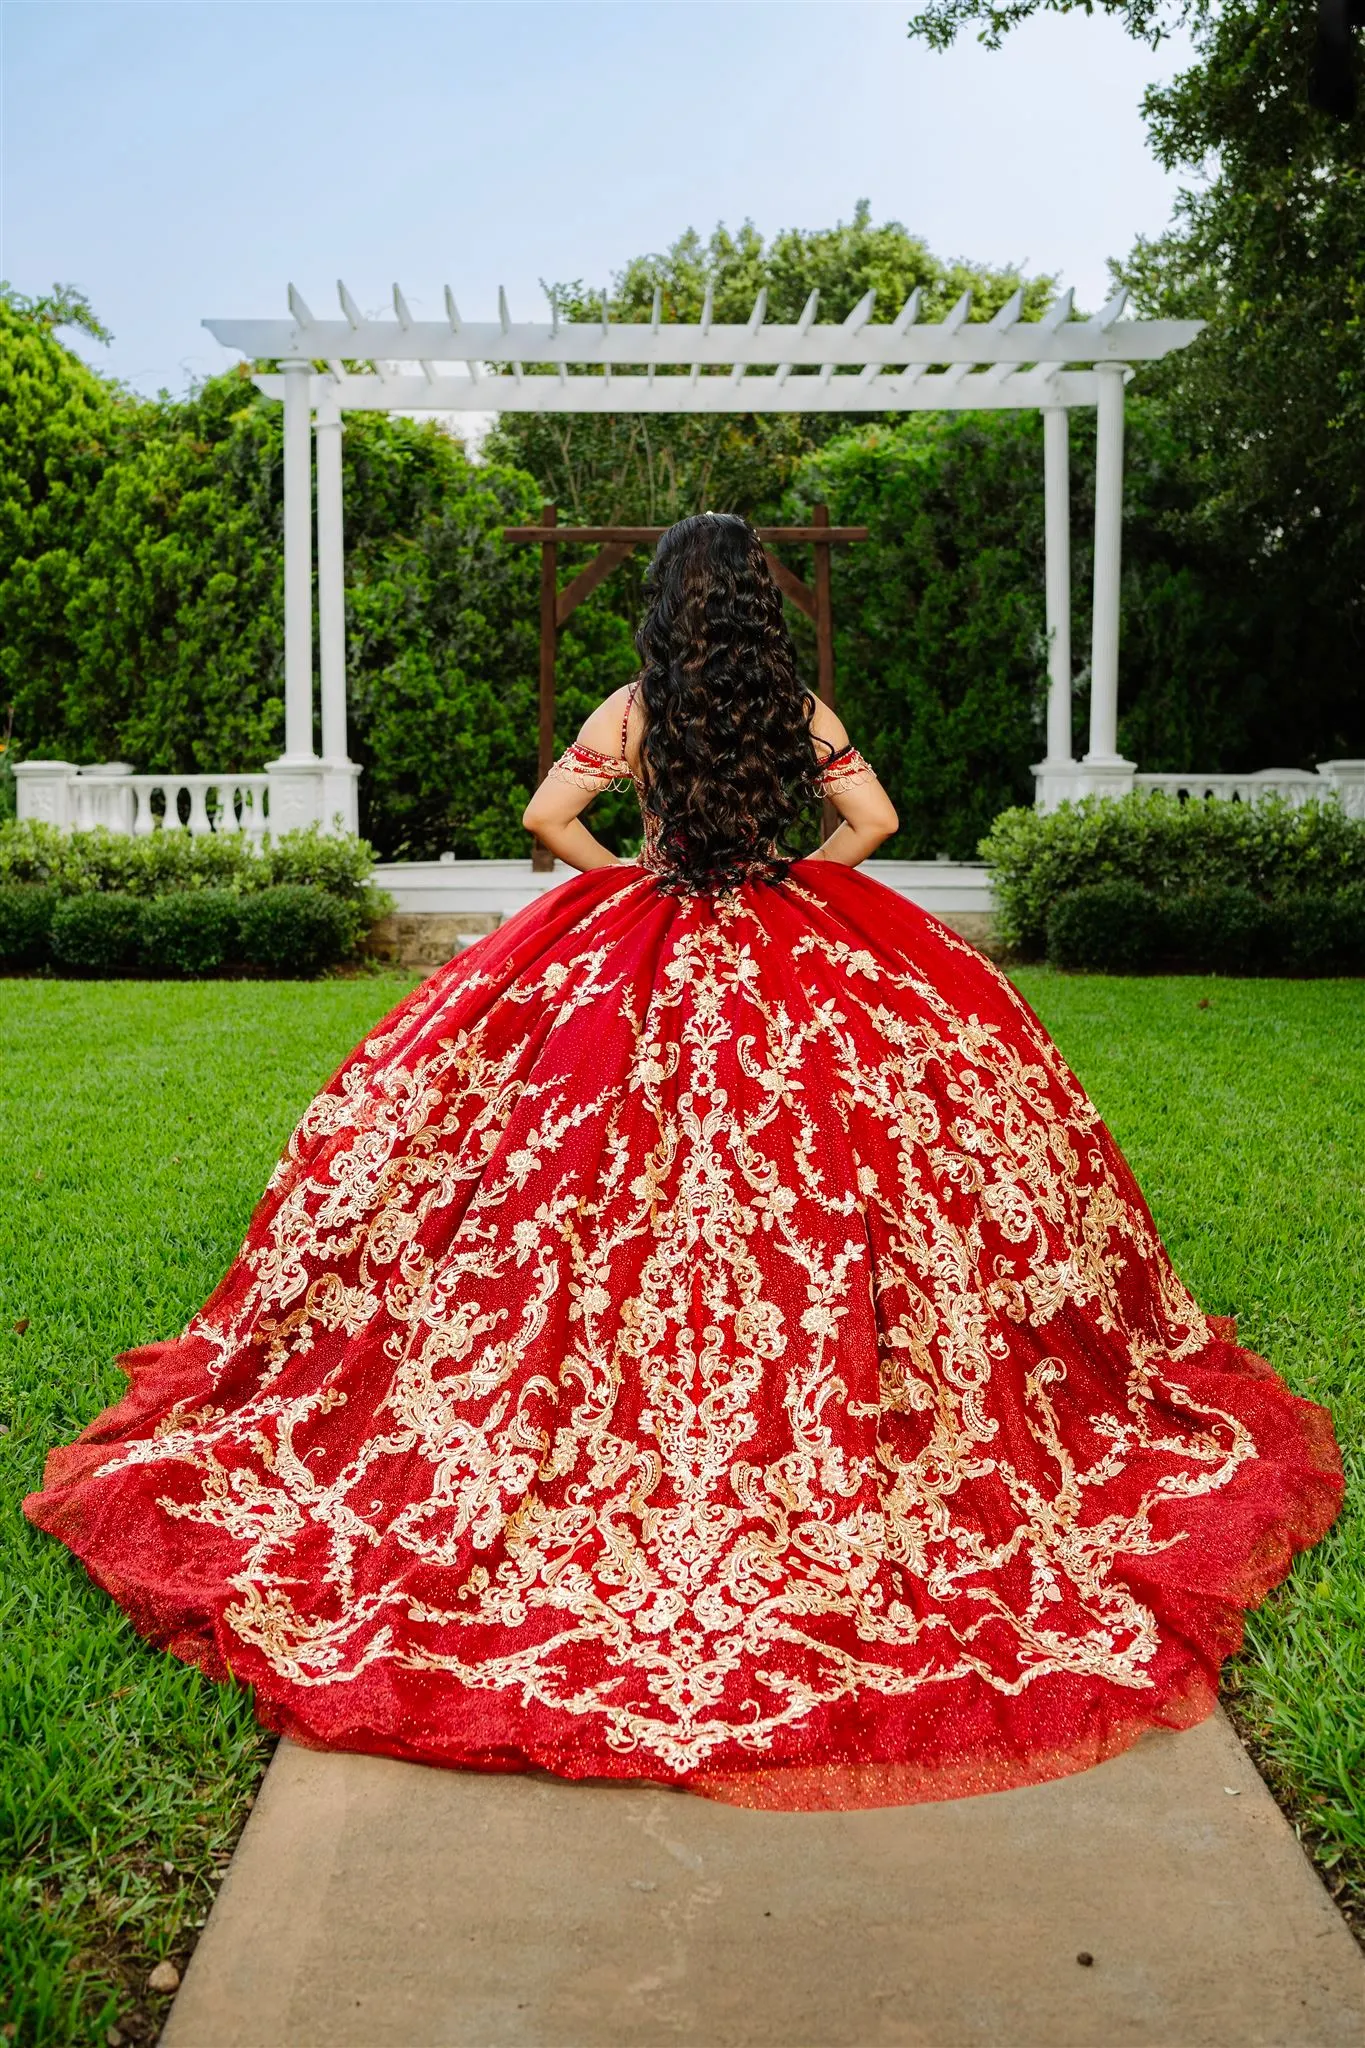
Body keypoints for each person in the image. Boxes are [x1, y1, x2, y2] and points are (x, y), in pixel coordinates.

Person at [25, 513, 1341, 1810]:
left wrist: (617, 879)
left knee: (574, 1187)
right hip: (786, 934)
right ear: (759, 603)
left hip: (639, 944)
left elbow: (549, 815)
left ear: (663, 603)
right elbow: (873, 819)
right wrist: (799, 882)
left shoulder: (637, 705)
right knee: (848, 1183)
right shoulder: (800, 706)